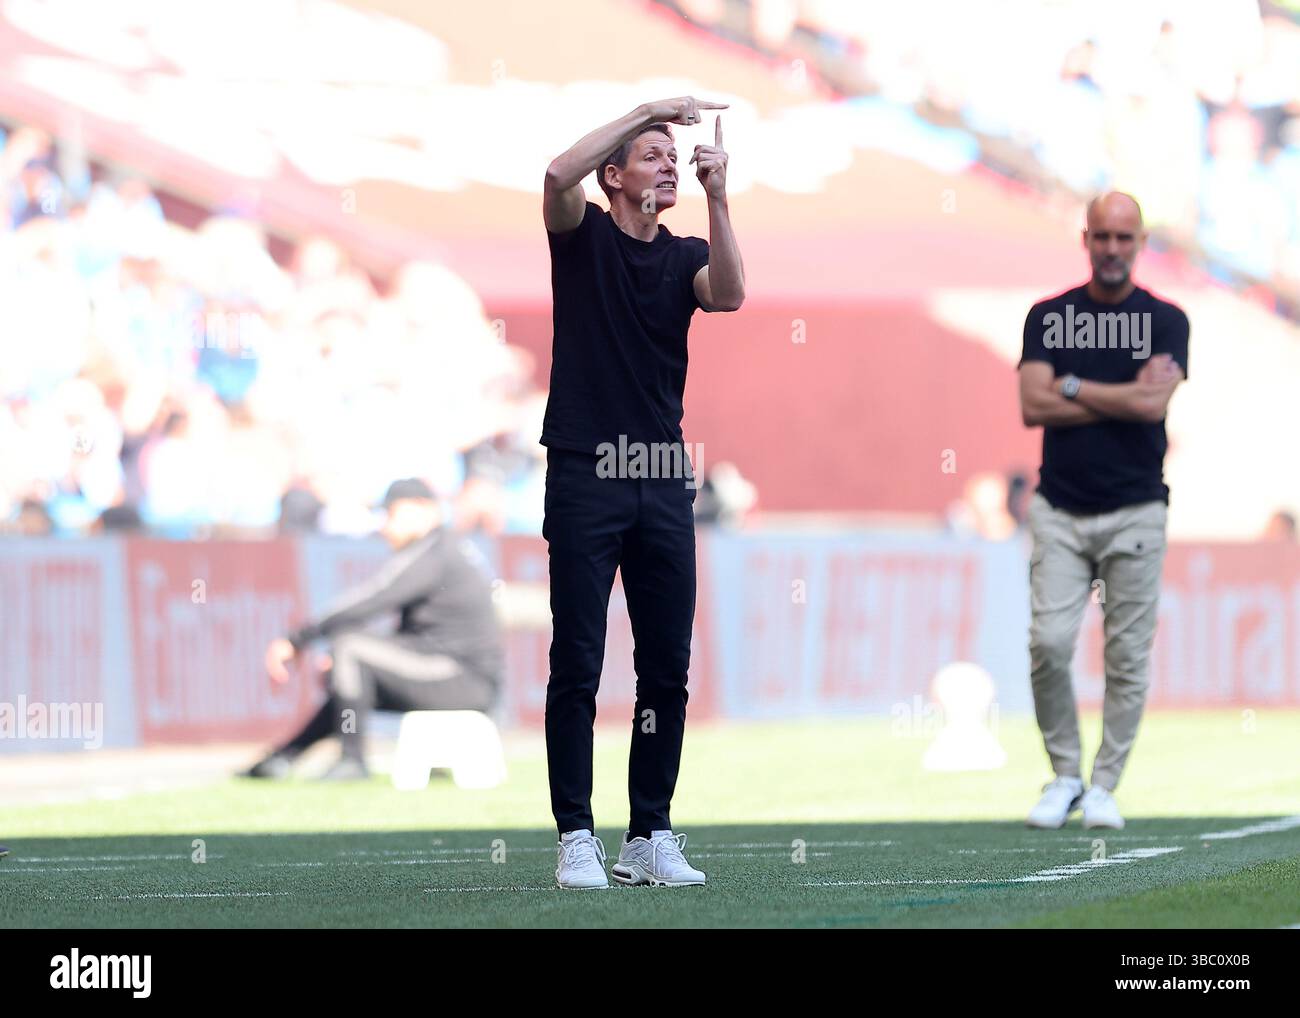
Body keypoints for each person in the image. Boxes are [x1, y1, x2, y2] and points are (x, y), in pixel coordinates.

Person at [540, 97, 745, 887]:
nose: (669, 161)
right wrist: (649, 110)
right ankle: (575, 835)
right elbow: (558, 173)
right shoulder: (582, 236)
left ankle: (648, 833)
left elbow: (727, 293)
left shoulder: (683, 252)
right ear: (615, 174)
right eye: (650, 152)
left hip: (661, 476)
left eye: (672, 151)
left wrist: (722, 196)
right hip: (585, 468)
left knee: (666, 667)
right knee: (579, 661)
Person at [1018, 192, 1189, 830]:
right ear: (1085, 239)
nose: (1112, 249)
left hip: (1138, 507)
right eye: (1102, 237)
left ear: (1141, 242)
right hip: (1060, 505)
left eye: (1124, 238)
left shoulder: (1168, 320)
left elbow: (1153, 407)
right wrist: (1117, 394)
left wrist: (1067, 386)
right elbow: (1031, 406)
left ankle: (1105, 785)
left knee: (1127, 655)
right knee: (1049, 643)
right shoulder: (1047, 315)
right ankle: (1065, 774)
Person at [242, 478, 504, 780]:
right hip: (462, 676)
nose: (384, 527)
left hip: (463, 680)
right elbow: (420, 640)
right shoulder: (447, 547)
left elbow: (373, 598)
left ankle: (352, 761)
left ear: (423, 509)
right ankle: (285, 757)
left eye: (391, 514)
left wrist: (296, 640)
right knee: (349, 662)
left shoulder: (435, 551)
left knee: (349, 648)